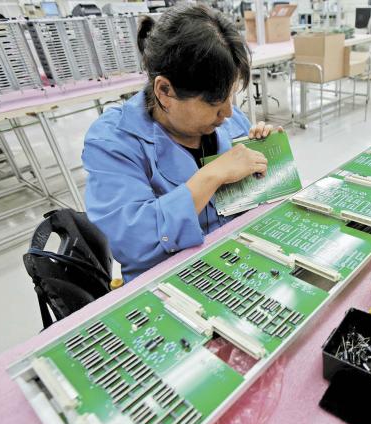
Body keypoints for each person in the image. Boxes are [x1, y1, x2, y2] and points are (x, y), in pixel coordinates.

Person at [82, 4, 279, 282]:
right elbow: (134, 243)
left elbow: (259, 197)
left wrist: (266, 153)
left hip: (239, 260)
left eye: (231, 96)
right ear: (164, 90)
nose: (228, 113)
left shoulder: (229, 121)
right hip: (168, 281)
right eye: (213, 101)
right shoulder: (112, 141)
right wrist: (212, 175)